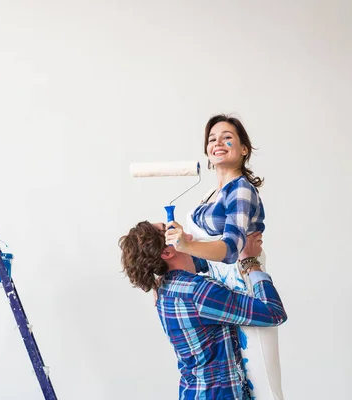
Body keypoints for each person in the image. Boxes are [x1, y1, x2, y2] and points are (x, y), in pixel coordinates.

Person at [165, 114, 285, 399]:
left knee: (263, 386)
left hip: (247, 287)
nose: (218, 142)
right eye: (212, 139)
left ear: (244, 149)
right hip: (221, 292)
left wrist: (185, 245)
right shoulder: (210, 194)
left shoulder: (240, 189)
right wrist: (164, 278)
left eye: (227, 137)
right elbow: (207, 256)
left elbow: (230, 250)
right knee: (239, 383)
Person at [118, 221, 287, 400]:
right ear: (167, 252)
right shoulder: (199, 292)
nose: (177, 227)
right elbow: (273, 312)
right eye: (169, 230)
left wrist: (229, 251)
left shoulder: (165, 288)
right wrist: (250, 261)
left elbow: (201, 262)